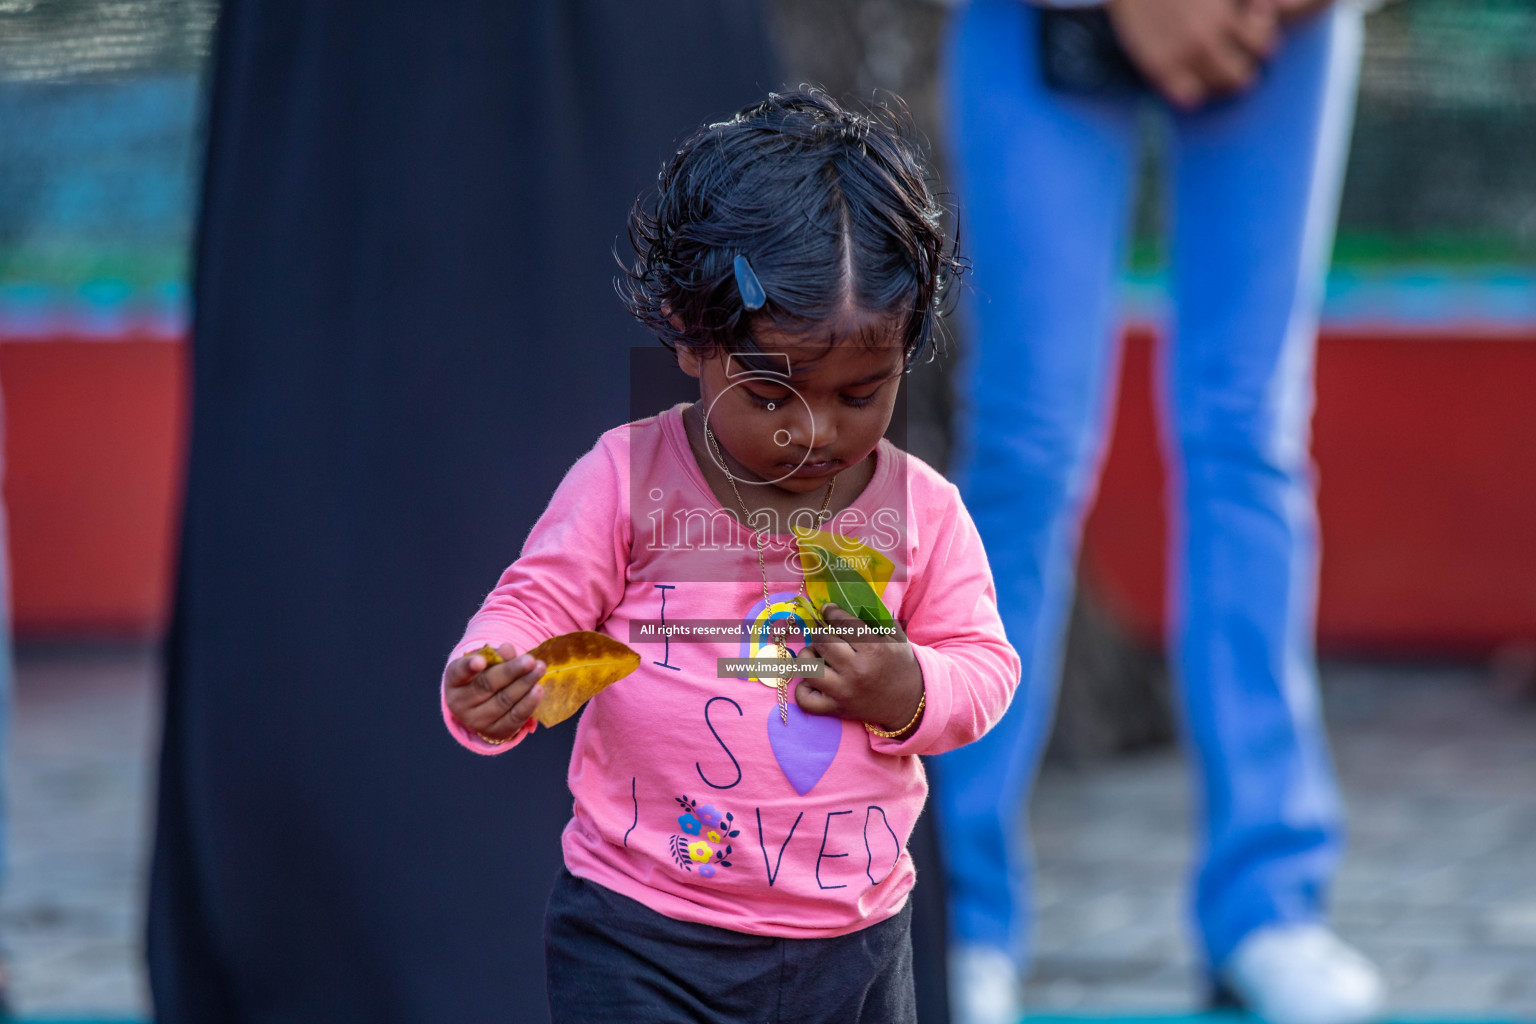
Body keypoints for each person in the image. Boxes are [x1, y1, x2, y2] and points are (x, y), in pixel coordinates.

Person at [439, 89, 1021, 1023]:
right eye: (770, 395)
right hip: (641, 930)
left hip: (854, 934)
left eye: (862, 394)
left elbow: (985, 667)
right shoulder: (626, 480)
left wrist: (907, 689)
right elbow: (536, 606)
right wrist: (493, 672)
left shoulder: (922, 511)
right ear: (688, 336)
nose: (814, 431)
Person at [931, 2, 1387, 1024]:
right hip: (1032, 21)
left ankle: (1268, 904)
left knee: (1251, 434)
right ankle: (962, 913)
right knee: (1024, 445)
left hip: (1278, 24)